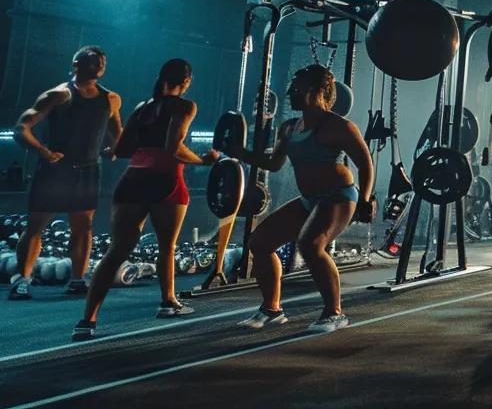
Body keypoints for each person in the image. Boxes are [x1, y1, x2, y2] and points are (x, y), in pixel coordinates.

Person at [221, 65, 375, 334]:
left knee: (311, 244)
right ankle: (272, 310)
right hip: (310, 199)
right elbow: (272, 163)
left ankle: (334, 313)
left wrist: (364, 200)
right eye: (292, 88)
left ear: (318, 92)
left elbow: (365, 164)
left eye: (298, 88)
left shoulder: (339, 127)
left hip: (339, 197)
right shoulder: (289, 127)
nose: (291, 93)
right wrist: (239, 153)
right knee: (259, 242)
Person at [73, 59, 216, 339]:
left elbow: (124, 148)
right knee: (167, 246)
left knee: (117, 251)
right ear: (186, 82)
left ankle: (86, 321)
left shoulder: (142, 107)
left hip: (133, 180)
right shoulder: (185, 106)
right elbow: (172, 146)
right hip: (166, 180)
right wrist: (202, 160)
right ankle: (167, 302)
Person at [10, 46, 121, 300]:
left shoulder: (111, 99)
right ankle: (22, 280)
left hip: (88, 171)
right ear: (76, 64)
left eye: (102, 61)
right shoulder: (59, 95)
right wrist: (45, 153)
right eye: (94, 61)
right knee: (36, 226)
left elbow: (118, 133)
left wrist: (114, 149)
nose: (100, 65)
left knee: (83, 227)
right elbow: (21, 128)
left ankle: (77, 280)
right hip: (54, 171)